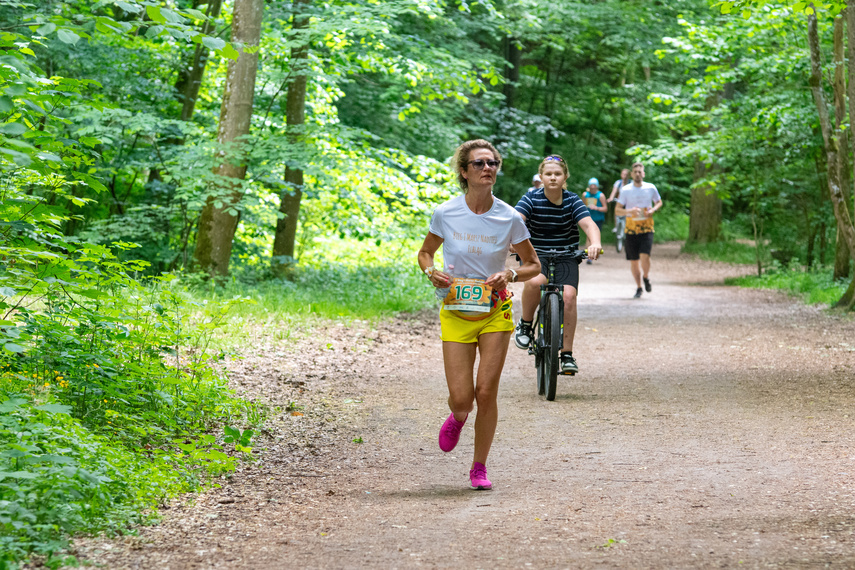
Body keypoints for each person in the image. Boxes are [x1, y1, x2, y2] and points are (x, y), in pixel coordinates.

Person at [418, 139, 540, 491]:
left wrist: (510, 274)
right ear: (464, 171)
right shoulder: (446, 213)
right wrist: (431, 272)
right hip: (456, 310)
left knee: (486, 392)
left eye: (493, 163)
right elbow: (425, 253)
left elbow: (533, 264)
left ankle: (479, 467)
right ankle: (458, 415)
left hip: (494, 310)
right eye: (479, 163)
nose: (488, 168)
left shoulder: (510, 217)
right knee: (463, 398)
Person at [512, 155, 602, 374]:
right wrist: (511, 241)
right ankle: (525, 324)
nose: (553, 178)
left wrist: (595, 243)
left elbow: (589, 225)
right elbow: (514, 221)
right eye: (548, 174)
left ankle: (567, 354)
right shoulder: (531, 199)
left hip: (566, 255)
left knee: (569, 296)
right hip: (536, 254)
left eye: (557, 174)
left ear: (565, 177)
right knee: (534, 283)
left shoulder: (572, 200)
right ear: (541, 176)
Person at [614, 162, 663, 298]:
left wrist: (653, 209)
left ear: (644, 173)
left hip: (647, 227)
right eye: (635, 171)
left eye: (640, 171)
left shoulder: (650, 188)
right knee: (634, 260)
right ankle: (639, 287)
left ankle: (646, 277)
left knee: (645, 255)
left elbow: (659, 201)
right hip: (631, 229)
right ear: (631, 174)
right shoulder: (626, 190)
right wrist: (630, 211)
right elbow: (617, 210)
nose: (637, 174)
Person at [582, 178, 607, 264]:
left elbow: (605, 208)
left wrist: (597, 208)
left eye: (594, 185)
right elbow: (582, 206)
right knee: (588, 236)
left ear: (597, 186)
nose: (592, 187)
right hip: (588, 218)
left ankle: (595, 251)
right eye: (591, 185)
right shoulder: (585, 194)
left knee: (595, 237)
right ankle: (589, 256)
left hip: (598, 219)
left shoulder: (601, 195)